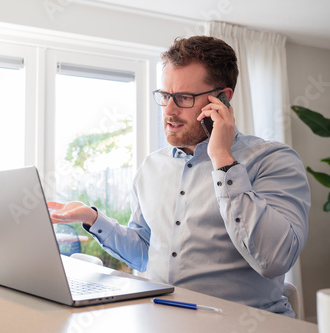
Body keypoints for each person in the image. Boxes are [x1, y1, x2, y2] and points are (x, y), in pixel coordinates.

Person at [47, 36, 310, 317]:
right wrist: (94, 219)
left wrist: (222, 159)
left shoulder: (273, 160)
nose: (169, 111)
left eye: (184, 98)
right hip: (160, 318)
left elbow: (274, 259)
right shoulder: (151, 167)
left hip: (241, 322)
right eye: (165, 96)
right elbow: (146, 253)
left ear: (222, 98)